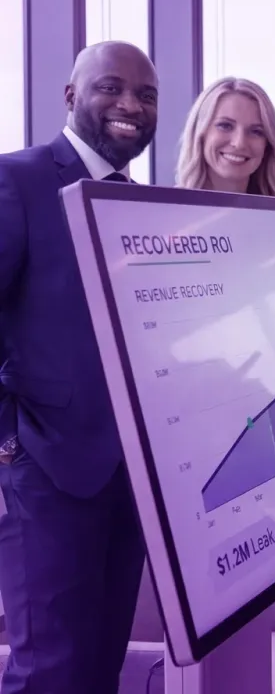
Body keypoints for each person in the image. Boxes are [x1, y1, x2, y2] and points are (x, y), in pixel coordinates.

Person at [0, 41, 158, 692]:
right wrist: (7, 437)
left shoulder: (142, 202)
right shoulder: (19, 179)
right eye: (111, 88)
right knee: (50, 670)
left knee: (100, 665)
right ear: (70, 95)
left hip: (133, 478)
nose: (130, 105)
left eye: (146, 95)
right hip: (49, 471)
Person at [175, 76, 275, 196]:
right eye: (225, 126)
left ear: (268, 145)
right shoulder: (166, 210)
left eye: (256, 131)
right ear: (200, 133)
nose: (239, 143)